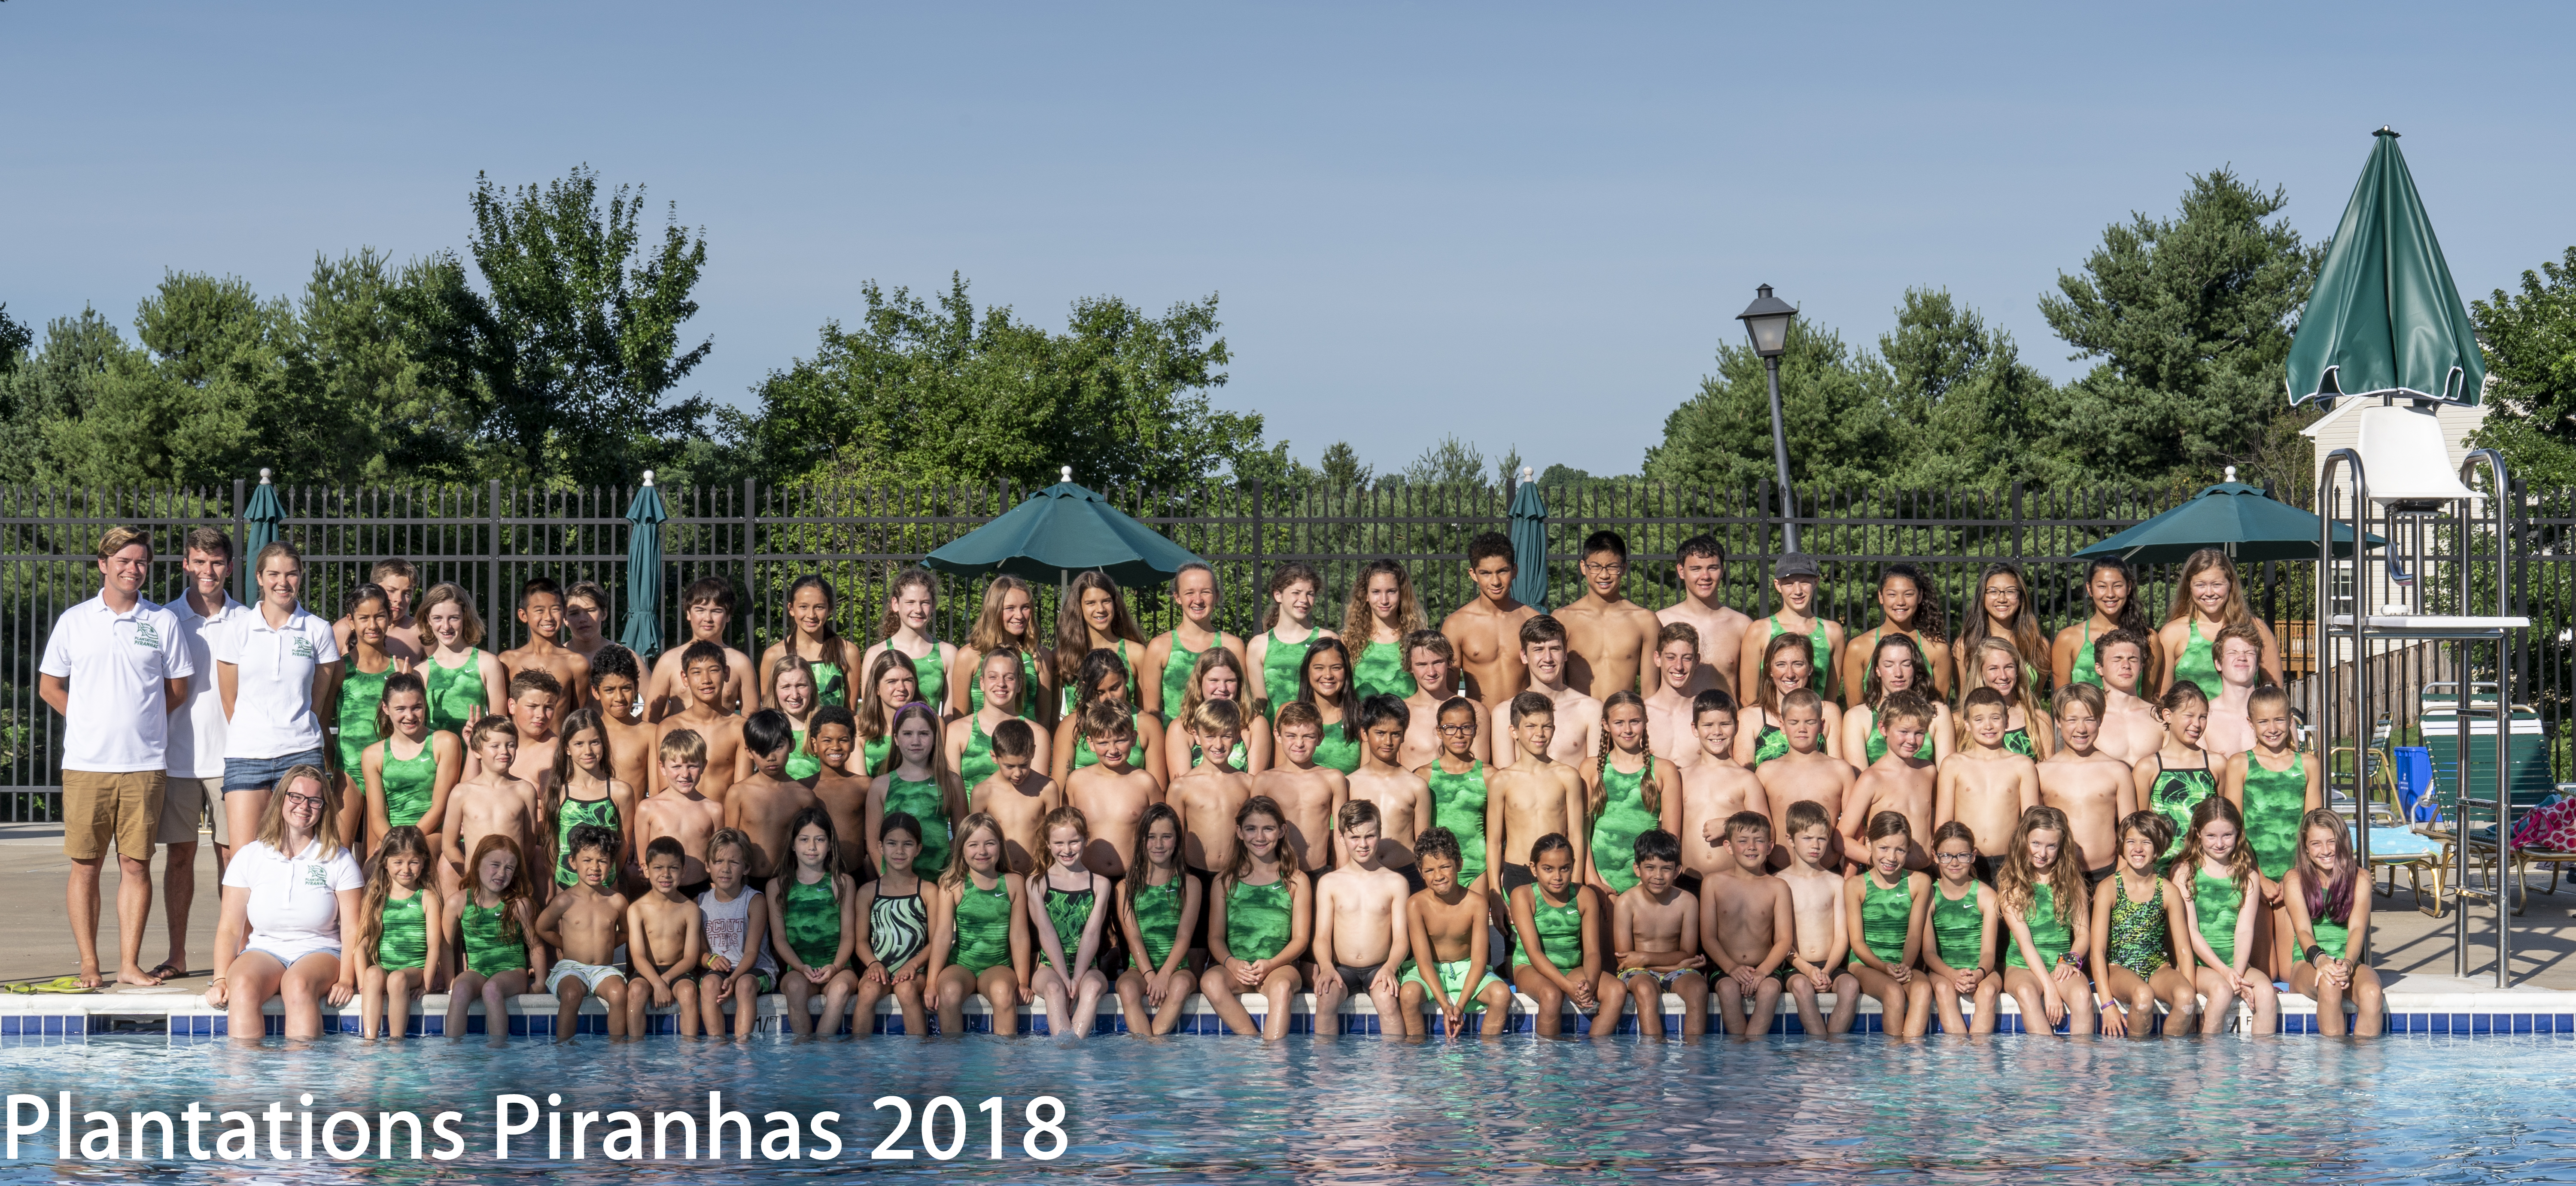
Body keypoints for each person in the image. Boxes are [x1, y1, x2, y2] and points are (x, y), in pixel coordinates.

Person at [41, 525, 192, 988]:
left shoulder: (161, 622)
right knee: (85, 864)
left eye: (141, 562)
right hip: (87, 765)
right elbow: (50, 687)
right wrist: (86, 720)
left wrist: (142, 723)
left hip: (145, 766)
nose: (134, 569)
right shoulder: (75, 621)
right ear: (104, 564)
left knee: (136, 865)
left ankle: (129, 964)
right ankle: (90, 964)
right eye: (124, 561)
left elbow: (178, 690)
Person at [217, 540, 342, 904]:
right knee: (244, 862)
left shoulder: (317, 630)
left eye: (291, 573)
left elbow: (318, 703)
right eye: (273, 573)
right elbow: (231, 701)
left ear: (301, 577)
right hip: (246, 755)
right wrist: (257, 730)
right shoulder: (238, 628)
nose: (282, 581)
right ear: (259, 577)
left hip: (301, 754)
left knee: (302, 857)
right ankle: (242, 951)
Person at [206, 764, 361, 1042]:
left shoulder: (339, 858)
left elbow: (353, 929)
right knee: (240, 984)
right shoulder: (250, 856)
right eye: (297, 797)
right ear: (282, 799)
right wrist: (220, 979)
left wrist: (347, 979)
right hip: (265, 949)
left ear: (324, 807)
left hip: (320, 949)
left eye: (315, 800)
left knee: (298, 984)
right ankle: (244, 1078)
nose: (305, 806)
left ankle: (301, 1078)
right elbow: (230, 927)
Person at [166, 526, 246, 970]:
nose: (207, 570)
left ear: (230, 567)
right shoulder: (164, 619)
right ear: (186, 564)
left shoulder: (248, 620)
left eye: (216, 562)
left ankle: (236, 957)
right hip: (176, 757)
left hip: (233, 759)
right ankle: (177, 957)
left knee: (232, 861)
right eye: (199, 561)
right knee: (179, 858)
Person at [2226, 684, 2321, 977]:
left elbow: (2313, 830)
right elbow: (2234, 830)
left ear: (2290, 719)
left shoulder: (2307, 764)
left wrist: (2294, 879)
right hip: (2254, 877)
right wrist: (2259, 877)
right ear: (2251, 723)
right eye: (2263, 721)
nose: (2272, 728)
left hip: (2293, 878)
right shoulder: (2240, 763)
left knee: (2289, 972)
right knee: (2265, 972)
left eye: (2279, 720)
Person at [1200, 796, 1312, 1040]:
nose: (1259, 837)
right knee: (1210, 981)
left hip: (1279, 968)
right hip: (1237, 969)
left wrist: (1271, 965)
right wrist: (1231, 963)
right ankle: (1251, 1044)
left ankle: (1273, 1057)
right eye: (1251, 829)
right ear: (1239, 832)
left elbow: (1301, 939)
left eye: (1268, 829)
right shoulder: (1225, 881)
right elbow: (1216, 937)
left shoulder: (1296, 880)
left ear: (1282, 831)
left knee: (1282, 989)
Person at [2173, 796, 2278, 1034]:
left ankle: (2262, 1068)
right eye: (2211, 836)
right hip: (2198, 964)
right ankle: (2212, 1065)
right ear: (2198, 833)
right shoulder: (2185, 873)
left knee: (2266, 992)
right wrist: (2225, 972)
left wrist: (2238, 974)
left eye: (2227, 835)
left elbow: (2244, 930)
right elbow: (2191, 932)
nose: (2219, 843)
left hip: (2236, 963)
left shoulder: (2248, 876)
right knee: (2221, 991)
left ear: (2238, 833)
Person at [2090, 812, 2197, 1038]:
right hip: (2119, 968)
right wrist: (2107, 1005)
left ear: (2158, 848)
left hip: (2159, 968)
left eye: (2146, 842)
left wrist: (2192, 1010)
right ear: (2122, 845)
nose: (2138, 848)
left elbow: (2184, 950)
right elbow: (2098, 952)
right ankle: (2138, 1065)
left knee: (2186, 997)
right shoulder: (2109, 888)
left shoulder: (2168, 891)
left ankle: (2171, 1064)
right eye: (2131, 841)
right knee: (2143, 995)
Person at [1399, 827, 1513, 1037]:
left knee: (1502, 994)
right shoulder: (1416, 904)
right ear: (1420, 872)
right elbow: (1423, 961)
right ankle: (1415, 1056)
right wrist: (1445, 1005)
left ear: (1459, 864)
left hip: (1467, 969)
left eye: (1445, 867)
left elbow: (1479, 961)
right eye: (1430, 870)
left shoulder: (1477, 903)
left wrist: (1459, 1006)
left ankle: (1490, 1056)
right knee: (1408, 994)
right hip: (1429, 970)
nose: (1439, 876)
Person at [1308, 800, 1410, 1033]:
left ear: (1380, 834)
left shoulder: (1396, 882)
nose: (1363, 845)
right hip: (1342, 968)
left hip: (1380, 966)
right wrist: (1326, 967)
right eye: (1355, 838)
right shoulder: (1330, 883)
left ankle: (1393, 1065)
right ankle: (1326, 1066)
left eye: (1370, 836)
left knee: (1387, 1000)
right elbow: (1322, 937)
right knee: (1326, 997)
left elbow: (1402, 939)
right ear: (1342, 838)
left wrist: (1390, 968)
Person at [2283, 807, 2382, 1036]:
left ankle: (2363, 1069)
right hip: (2308, 963)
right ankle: (2332, 1066)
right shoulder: (2294, 879)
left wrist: (2347, 963)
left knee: (2372, 994)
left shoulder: (2360, 878)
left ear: (2343, 842)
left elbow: (2358, 928)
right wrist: (2321, 960)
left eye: (2331, 842)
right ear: (2306, 848)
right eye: (2316, 844)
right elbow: (2303, 931)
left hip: (2348, 960)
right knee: (2329, 983)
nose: (2326, 851)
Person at [442, 718, 542, 945]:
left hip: (512, 883)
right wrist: (468, 875)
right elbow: (448, 844)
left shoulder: (525, 790)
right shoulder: (462, 792)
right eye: (495, 746)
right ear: (477, 750)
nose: (504, 751)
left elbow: (528, 842)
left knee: (511, 937)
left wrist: (512, 875)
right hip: (474, 884)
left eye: (510, 744)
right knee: (471, 937)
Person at [929, 813, 1028, 1035]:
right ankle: (952, 1060)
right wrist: (930, 983)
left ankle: (1006, 1063)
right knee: (949, 992)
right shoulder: (952, 885)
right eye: (973, 845)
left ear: (1000, 847)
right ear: (961, 849)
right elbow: (943, 936)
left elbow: (1019, 936)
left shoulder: (1014, 883)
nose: (982, 852)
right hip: (961, 965)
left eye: (990, 844)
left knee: (1004, 993)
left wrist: (1022, 982)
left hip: (999, 966)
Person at [1998, 805, 2094, 1036]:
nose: (2043, 853)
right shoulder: (2011, 885)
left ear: (2061, 847)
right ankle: (2044, 1064)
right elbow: (2025, 943)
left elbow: (2083, 934)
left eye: (2052, 846)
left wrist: (2068, 962)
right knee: (2027, 992)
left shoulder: (2073, 882)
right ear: (2024, 841)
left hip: (2060, 963)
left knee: (2082, 996)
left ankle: (2081, 1068)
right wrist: (2050, 988)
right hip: (2022, 965)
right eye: (2036, 844)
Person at [768, 806, 860, 1037]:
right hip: (799, 968)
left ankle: (823, 1049)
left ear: (830, 845)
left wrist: (835, 966)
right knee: (795, 988)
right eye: (804, 840)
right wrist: (801, 967)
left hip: (839, 967)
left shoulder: (842, 883)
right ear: (792, 844)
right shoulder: (778, 887)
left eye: (820, 840)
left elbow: (849, 936)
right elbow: (780, 939)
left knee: (840, 989)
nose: (812, 847)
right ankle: (803, 1052)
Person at [1172, 699, 1256, 952]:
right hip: (1195, 877)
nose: (1218, 745)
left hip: (1238, 877)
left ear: (1237, 736)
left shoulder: (1249, 783)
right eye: (1210, 736)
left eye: (1226, 736)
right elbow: (1173, 838)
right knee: (1195, 951)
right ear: (1196, 736)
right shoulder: (1181, 786)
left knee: (1234, 948)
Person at [1509, 831, 1612, 1037]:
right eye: (1548, 869)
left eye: (1565, 869)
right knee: (1552, 994)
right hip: (1529, 968)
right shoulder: (1523, 896)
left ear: (1573, 865)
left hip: (1572, 968)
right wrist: (1568, 987)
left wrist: (1590, 984)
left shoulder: (1585, 896)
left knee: (1616, 992)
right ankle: (1550, 1062)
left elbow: (1592, 952)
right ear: (1534, 869)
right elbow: (1534, 953)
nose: (1557, 877)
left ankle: (1597, 1058)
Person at [1113, 804, 1204, 1037]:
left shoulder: (1190, 885)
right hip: (1140, 969)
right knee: (1126, 987)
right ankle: (1148, 1047)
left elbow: (1185, 936)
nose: (1159, 844)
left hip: (1178, 969)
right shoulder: (1126, 887)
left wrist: (1164, 975)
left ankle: (1154, 1044)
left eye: (1167, 837)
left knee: (1181, 985)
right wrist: (1150, 976)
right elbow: (1133, 937)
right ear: (1142, 840)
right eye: (1151, 837)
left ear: (1177, 841)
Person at [1841, 812, 1933, 1037]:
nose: (1891, 857)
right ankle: (1893, 1063)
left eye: (1900, 850)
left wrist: (1904, 966)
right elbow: (1857, 942)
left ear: (1908, 849)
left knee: (1922, 988)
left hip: (1903, 962)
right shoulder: (1855, 885)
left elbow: (1914, 935)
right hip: (1865, 963)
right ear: (1869, 844)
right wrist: (1884, 969)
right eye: (1884, 848)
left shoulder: (1919, 882)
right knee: (1893, 991)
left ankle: (1912, 1059)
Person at [1025, 805, 1114, 1038]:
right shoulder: (1037, 883)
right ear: (1047, 843)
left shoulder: (1100, 885)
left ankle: (1073, 1050)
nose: (1067, 850)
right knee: (1055, 990)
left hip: (1089, 968)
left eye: (1074, 842)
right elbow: (1046, 933)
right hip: (1048, 968)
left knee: (1092, 987)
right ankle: (1065, 1052)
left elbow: (1092, 934)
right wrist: (1065, 978)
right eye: (1059, 843)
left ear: (1085, 840)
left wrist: (1077, 978)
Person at [535, 824, 629, 1040]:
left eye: (602, 861)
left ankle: (617, 1051)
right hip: (571, 967)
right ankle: (564, 1049)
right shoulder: (565, 900)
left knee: (619, 994)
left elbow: (625, 932)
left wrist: (606, 945)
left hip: (603, 969)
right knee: (571, 994)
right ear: (573, 862)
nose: (595, 867)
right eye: (587, 860)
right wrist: (564, 945)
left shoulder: (616, 901)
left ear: (611, 864)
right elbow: (542, 927)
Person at [1612, 828, 1709, 1039]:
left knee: (1698, 990)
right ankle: (1653, 1054)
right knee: (1646, 990)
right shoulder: (1626, 903)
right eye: (1650, 868)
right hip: (1638, 974)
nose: (1658, 876)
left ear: (1677, 872)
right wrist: (1675, 965)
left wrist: (1647, 958)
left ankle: (1694, 1059)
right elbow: (1625, 961)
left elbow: (1687, 953)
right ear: (1637, 869)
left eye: (1666, 869)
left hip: (1677, 970)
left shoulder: (1687, 902)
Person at [330, 582, 408, 845]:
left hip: (388, 771)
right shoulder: (341, 669)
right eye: (364, 618)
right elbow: (320, 720)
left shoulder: (401, 671)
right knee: (337, 850)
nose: (372, 625)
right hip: (349, 771)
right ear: (351, 621)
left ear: (390, 617)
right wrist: (335, 767)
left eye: (379, 616)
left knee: (378, 858)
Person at [1935, 689, 2040, 881]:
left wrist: (2027, 865)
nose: (1988, 726)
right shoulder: (1953, 764)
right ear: (1967, 724)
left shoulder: (2023, 765)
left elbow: (2031, 823)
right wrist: (1946, 864)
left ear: (2007, 721)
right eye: (1979, 720)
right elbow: (1943, 824)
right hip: (1964, 862)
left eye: (1995, 718)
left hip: (2009, 863)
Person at [441, 834, 535, 1045]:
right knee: (461, 988)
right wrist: (450, 982)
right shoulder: (458, 902)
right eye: (495, 865)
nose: (501, 873)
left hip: (513, 972)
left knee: (492, 989)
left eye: (510, 868)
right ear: (477, 864)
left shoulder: (518, 904)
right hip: (478, 971)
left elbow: (535, 945)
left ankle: (498, 1052)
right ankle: (452, 1053)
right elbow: (446, 947)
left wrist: (539, 983)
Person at [2037, 683, 2137, 882]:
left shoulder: (2118, 771)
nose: (2081, 729)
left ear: (2100, 721)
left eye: (2089, 720)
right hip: (2057, 876)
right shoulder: (2042, 772)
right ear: (2058, 721)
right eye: (2072, 720)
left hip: (2108, 874)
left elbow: (2130, 832)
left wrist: (2118, 878)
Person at [1492, 692, 1590, 894]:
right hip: (1518, 872)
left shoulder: (1568, 776)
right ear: (1514, 731)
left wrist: (1577, 884)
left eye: (1546, 726)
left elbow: (1577, 835)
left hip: (1559, 875)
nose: (1540, 733)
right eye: (1531, 726)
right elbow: (1493, 841)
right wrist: (1494, 891)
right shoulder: (1502, 781)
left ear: (1554, 729)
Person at [1775, 800, 1858, 1035]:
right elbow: (1780, 939)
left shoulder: (1836, 882)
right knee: (1802, 987)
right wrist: (1807, 969)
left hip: (1830, 965)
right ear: (1790, 840)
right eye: (1807, 838)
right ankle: (1818, 1046)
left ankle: (1835, 1046)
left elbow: (1843, 937)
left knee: (1851, 986)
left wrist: (1828, 971)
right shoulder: (1780, 882)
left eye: (1822, 839)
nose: (1816, 845)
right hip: (1795, 966)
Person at [854, 813, 940, 1037]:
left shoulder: (928, 891)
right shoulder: (868, 892)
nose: (900, 851)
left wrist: (913, 965)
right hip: (879, 969)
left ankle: (918, 1054)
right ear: (881, 847)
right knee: (868, 991)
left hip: (916, 970)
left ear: (919, 849)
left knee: (906, 990)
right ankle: (859, 1057)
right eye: (892, 843)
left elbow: (936, 941)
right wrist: (873, 964)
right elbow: (861, 941)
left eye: (908, 844)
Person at [352, 824, 441, 1040]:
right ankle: (370, 1041)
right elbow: (361, 944)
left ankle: (396, 1042)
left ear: (424, 862)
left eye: (414, 862)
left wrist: (426, 985)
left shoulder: (426, 898)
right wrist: (363, 984)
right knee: (373, 974)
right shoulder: (376, 897)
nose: (406, 869)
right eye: (398, 862)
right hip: (385, 968)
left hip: (414, 971)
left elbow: (434, 946)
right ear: (385, 863)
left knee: (397, 979)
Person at [364, 672, 462, 868]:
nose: (410, 716)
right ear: (386, 708)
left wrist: (407, 844)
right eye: (401, 709)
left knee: (413, 860)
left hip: (434, 832)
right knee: (371, 869)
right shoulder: (372, 755)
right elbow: (377, 816)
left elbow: (440, 809)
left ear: (425, 705)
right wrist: (394, 842)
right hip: (393, 835)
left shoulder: (445, 742)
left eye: (416, 707)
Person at [1587, 691, 1680, 895]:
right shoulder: (1590, 768)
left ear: (1646, 722)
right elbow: (1582, 831)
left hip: (1648, 882)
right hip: (1599, 880)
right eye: (1619, 722)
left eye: (1635, 721)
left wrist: (1645, 886)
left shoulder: (1665, 770)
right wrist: (1593, 879)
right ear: (1605, 724)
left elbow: (1671, 838)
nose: (1627, 730)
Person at [2158, 548, 2284, 699]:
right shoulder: (2172, 633)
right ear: (2189, 586)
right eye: (2200, 585)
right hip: (2191, 723)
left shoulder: (2257, 629)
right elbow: (2162, 699)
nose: (2209, 592)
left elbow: (2276, 697)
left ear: (2230, 583)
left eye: (2217, 584)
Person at [1554, 530, 1663, 700]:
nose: (1604, 575)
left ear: (1624, 568)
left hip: (1625, 721)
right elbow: (1555, 687)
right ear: (1584, 567)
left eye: (1612, 567)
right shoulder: (1564, 619)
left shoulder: (1645, 621)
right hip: (1579, 720)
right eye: (1596, 567)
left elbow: (1650, 692)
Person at [1753, 689, 1852, 871]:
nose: (1802, 729)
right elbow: (1758, 831)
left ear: (1822, 725)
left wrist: (1848, 879)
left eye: (1810, 722)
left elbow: (1855, 831)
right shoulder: (1766, 772)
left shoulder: (1842, 771)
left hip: (1829, 874)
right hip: (1778, 873)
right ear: (1782, 726)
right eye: (1794, 722)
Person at [1838, 691, 1938, 871]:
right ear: (1883, 729)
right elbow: (1841, 838)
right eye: (1904, 732)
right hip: (1885, 879)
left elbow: (1932, 819)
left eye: (1919, 733)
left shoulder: (1929, 771)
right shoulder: (1872, 779)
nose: (1912, 740)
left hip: (1926, 874)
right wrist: (1878, 861)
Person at [1061, 702, 1160, 881]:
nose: (1113, 750)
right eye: (1103, 743)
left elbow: (1161, 832)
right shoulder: (1076, 781)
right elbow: (1066, 831)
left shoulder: (1146, 782)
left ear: (1134, 738)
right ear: (1091, 743)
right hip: (1086, 879)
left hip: (1135, 879)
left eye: (1121, 740)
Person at [1678, 692, 1765, 893]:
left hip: (1735, 883)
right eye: (1708, 725)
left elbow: (1766, 830)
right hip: (1687, 882)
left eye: (1725, 724)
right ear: (1695, 728)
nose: (1716, 732)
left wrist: (1730, 825)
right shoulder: (1681, 778)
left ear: (1736, 726)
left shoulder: (1747, 779)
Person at [867, 702, 965, 880]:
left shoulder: (952, 782)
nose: (916, 741)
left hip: (942, 883)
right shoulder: (881, 785)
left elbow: (962, 837)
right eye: (908, 734)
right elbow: (874, 844)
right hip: (897, 885)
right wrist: (888, 879)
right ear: (896, 739)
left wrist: (949, 872)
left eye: (924, 734)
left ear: (936, 737)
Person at [1441, 535, 1538, 714]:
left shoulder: (1532, 620)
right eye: (1486, 573)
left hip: (1524, 725)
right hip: (1478, 726)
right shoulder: (1457, 624)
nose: (1495, 582)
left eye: (1502, 571)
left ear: (1514, 571)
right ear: (1473, 574)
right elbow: (1448, 693)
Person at [544, 706, 637, 893]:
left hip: (606, 888)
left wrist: (609, 877)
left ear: (604, 744)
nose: (588, 751)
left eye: (595, 742)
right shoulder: (558, 791)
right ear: (567, 749)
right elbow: (552, 843)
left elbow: (624, 844)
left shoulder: (621, 792)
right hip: (566, 887)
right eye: (579, 744)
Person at [1417, 697, 1502, 899]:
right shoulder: (1423, 776)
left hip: (1477, 868)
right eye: (1450, 728)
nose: (1459, 734)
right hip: (1436, 869)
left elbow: (1496, 836)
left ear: (1475, 729)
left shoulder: (1490, 776)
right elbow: (1420, 834)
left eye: (1466, 727)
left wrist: (1495, 882)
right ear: (1439, 731)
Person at [695, 828, 776, 1039]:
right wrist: (710, 959)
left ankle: (743, 1048)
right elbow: (700, 952)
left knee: (744, 985)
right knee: (710, 984)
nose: (726, 869)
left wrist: (734, 977)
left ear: (747, 868)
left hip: (757, 969)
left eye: (734, 862)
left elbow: (751, 953)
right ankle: (717, 1047)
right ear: (707, 866)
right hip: (721, 971)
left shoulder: (755, 901)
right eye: (719, 861)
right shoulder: (701, 902)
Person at [1921, 821, 1999, 1036]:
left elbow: (1989, 953)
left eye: (1962, 856)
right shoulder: (1928, 896)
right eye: (1946, 856)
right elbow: (1928, 953)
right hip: (1943, 971)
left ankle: (1979, 1057)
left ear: (1973, 856)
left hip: (1982, 969)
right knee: (1944, 989)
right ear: (1935, 856)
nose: (1954, 863)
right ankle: (1956, 1057)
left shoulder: (1986, 896)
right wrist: (1952, 974)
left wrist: (1979, 974)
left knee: (1989, 991)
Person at [1144, 561, 1249, 721]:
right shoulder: (1160, 647)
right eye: (1190, 593)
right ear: (1178, 597)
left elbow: (1243, 704)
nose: (1198, 600)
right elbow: (1152, 713)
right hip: (1175, 742)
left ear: (1217, 596)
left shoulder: (1233, 646)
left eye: (1206, 592)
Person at [1049, 647, 1168, 788]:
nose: (1109, 698)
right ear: (1086, 687)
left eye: (1115, 688)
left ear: (1127, 677)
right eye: (1100, 692)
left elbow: (1159, 788)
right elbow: (1061, 789)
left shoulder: (1149, 725)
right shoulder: (1072, 726)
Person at [1253, 702, 1349, 875]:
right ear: (1278, 735)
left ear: (1320, 738)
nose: (1299, 743)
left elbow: (1341, 834)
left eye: (1308, 736)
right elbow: (1254, 833)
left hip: (1319, 872)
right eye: (1291, 735)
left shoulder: (1333, 779)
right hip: (1276, 874)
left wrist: (1342, 874)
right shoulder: (1264, 781)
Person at [623, 835, 704, 1038]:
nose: (666, 875)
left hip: (678, 971)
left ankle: (690, 1051)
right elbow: (638, 957)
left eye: (674, 868)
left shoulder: (691, 910)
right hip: (646, 971)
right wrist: (657, 983)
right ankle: (635, 1050)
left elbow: (690, 958)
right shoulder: (637, 909)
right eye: (658, 868)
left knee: (688, 993)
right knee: (635, 992)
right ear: (646, 870)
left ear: (684, 871)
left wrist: (666, 980)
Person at [1839, 562, 1951, 707]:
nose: (1900, 602)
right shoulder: (1858, 648)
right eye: (1892, 594)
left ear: (1920, 596)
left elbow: (1940, 708)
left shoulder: (1937, 648)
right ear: (1881, 597)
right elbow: (1855, 708)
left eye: (1909, 594)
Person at [727, 709, 820, 882]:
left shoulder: (804, 797)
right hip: (746, 884)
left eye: (778, 747)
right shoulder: (738, 793)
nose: (771, 757)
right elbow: (729, 846)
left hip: (787, 882)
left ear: (792, 745)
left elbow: (809, 847)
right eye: (762, 749)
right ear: (749, 751)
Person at [1657, 534, 1752, 704]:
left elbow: (1748, 697)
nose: (1705, 576)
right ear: (1681, 571)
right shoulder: (1661, 622)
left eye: (1713, 568)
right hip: (1674, 726)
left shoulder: (1741, 626)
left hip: (1724, 727)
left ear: (1722, 570)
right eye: (1696, 569)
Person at [1346, 695, 1429, 887]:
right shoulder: (1350, 784)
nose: (1388, 741)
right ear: (1365, 734)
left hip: (1407, 872)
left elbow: (1423, 842)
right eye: (1380, 733)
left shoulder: (1417, 785)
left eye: (1396, 734)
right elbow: (1342, 838)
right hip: (1362, 874)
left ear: (1404, 735)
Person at [1840, 632, 1953, 773]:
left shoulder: (1937, 713)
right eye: (1889, 665)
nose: (1898, 673)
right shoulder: (1857, 717)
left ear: (1915, 669)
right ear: (1878, 670)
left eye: (1906, 665)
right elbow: (1859, 779)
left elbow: (1947, 774)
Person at [646, 577, 756, 720]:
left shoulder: (741, 663)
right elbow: (651, 720)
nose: (708, 618)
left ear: (728, 615)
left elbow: (752, 720)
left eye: (716, 611)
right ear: (688, 613)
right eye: (700, 610)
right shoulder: (668, 661)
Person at [1737, 553, 1843, 701]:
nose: (1798, 591)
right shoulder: (1759, 631)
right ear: (1777, 585)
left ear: (1816, 582)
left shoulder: (1832, 632)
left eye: (1805, 582)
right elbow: (1748, 699)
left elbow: (1830, 700)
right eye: (1789, 583)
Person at [2132, 682, 2217, 865]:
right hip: (2160, 868)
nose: (2197, 724)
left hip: (2206, 866)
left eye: (2203, 717)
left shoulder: (2216, 765)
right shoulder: (2147, 768)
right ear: (2168, 715)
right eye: (2190, 716)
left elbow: (2223, 818)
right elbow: (2139, 827)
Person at [968, 718, 1064, 877]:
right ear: (994, 757)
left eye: (1024, 765)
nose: (1018, 773)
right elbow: (977, 841)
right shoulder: (983, 793)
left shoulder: (1047, 788)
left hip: (1038, 876)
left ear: (1033, 752)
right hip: (1000, 878)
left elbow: (1055, 836)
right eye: (1010, 766)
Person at [634, 729, 724, 897]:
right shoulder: (647, 809)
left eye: (692, 766)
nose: (685, 774)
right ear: (662, 767)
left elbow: (718, 858)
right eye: (676, 766)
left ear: (704, 766)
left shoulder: (714, 810)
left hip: (701, 893)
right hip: (660, 894)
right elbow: (643, 861)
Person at [1051, 570, 1150, 723]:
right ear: (1079, 607)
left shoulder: (1136, 653)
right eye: (1091, 603)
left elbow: (1146, 716)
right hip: (1080, 743)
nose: (1101, 609)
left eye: (1106, 601)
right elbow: (1053, 721)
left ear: (1115, 603)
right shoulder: (1063, 656)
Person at [861, 567, 958, 718]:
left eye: (925, 602)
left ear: (933, 605)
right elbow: (869, 712)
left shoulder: (947, 653)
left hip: (929, 740)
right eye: (910, 602)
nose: (918, 609)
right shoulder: (876, 654)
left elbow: (950, 717)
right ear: (895, 604)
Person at [950, 574, 1050, 721]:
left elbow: (1044, 719)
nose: (1019, 616)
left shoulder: (1041, 656)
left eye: (1025, 608)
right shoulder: (969, 656)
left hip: (1028, 740)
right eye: (1010, 608)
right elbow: (960, 717)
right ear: (994, 610)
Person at [657, 641, 748, 801]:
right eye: (697, 673)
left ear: (726, 673)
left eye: (713, 671)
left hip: (724, 823)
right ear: (685, 678)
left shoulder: (740, 728)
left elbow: (741, 795)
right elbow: (664, 791)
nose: (706, 680)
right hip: (678, 821)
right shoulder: (669, 727)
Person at [2051, 557, 2159, 691]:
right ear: (2089, 589)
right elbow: (2062, 702)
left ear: (2129, 587)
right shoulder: (2068, 639)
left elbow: (2150, 701)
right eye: (2102, 586)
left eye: (2117, 586)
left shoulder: (2148, 638)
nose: (2110, 594)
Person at [1249, 562, 1339, 722]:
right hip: (1275, 735)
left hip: (1319, 734)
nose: (1304, 600)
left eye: (1310, 594)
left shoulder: (1327, 640)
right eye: (1296, 593)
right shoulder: (1259, 645)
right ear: (1278, 595)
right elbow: (1260, 705)